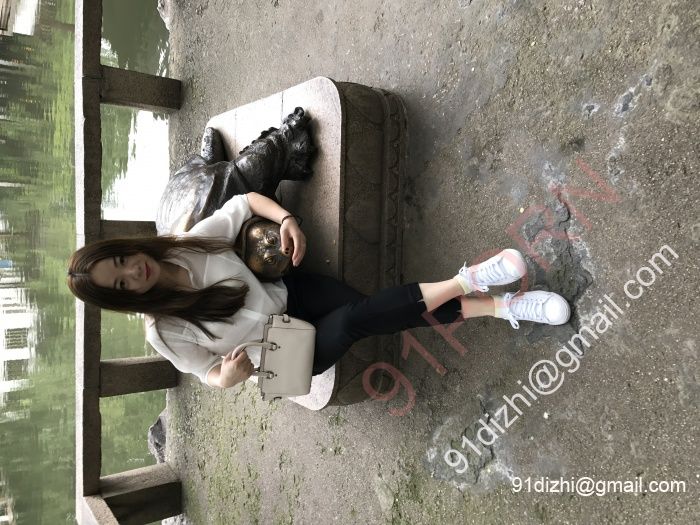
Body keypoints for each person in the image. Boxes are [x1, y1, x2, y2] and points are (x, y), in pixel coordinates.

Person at [66, 192, 571, 390]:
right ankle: (468, 279)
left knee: (372, 313)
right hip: (282, 356)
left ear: (125, 248)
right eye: (121, 284)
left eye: (121, 261)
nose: (133, 273)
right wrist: (230, 376)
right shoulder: (164, 333)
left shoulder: (186, 247)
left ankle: (501, 305)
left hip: (293, 295)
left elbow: (244, 203)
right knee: (355, 318)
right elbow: (208, 374)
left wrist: (287, 219)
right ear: (123, 298)